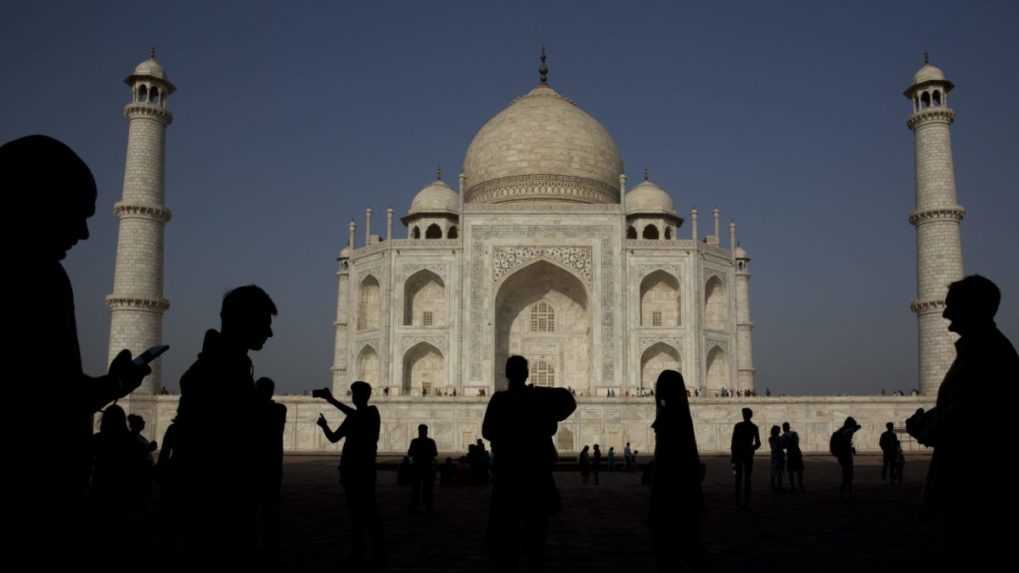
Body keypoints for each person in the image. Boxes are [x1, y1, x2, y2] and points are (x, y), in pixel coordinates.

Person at [4, 135, 152, 564]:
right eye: (75, 214)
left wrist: (113, 383)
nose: (85, 233)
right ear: (33, 199)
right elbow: (49, 401)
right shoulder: (38, 278)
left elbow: (47, 392)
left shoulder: (43, 274)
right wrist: (114, 384)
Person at [906, 275, 1019, 567]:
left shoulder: (984, 355)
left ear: (972, 308)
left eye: (951, 306)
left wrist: (923, 426)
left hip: (973, 490)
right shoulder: (986, 351)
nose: (944, 312)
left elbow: (964, 420)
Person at [173, 284, 277, 565]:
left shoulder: (225, 365)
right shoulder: (221, 371)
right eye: (264, 323)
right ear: (245, 322)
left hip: (220, 500)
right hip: (218, 504)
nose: (269, 333)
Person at [482, 355, 576, 572]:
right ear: (526, 373)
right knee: (536, 527)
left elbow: (487, 431)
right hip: (535, 471)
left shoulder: (499, 400)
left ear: (506, 374)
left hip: (508, 472)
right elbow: (568, 401)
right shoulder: (538, 398)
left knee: (508, 526)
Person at [315, 382, 385, 565]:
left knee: (369, 511)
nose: (354, 397)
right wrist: (324, 426)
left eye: (356, 394)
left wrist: (331, 400)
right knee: (356, 513)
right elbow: (333, 438)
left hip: (364, 470)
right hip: (350, 470)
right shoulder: (353, 417)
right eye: (353, 394)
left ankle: (376, 550)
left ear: (364, 396)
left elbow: (357, 416)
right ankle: (359, 551)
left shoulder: (371, 413)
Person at [650, 370, 707, 572]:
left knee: (669, 544)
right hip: (684, 485)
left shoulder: (671, 416)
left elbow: (668, 453)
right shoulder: (680, 414)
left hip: (669, 487)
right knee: (689, 541)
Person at [254, 377, 287, 564]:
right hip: (273, 468)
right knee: (270, 511)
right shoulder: (279, 410)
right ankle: (271, 548)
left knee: (259, 511)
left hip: (259, 468)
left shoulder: (259, 411)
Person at [730, 407, 761, 508]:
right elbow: (758, 443)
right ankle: (745, 501)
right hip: (746, 455)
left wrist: (733, 455)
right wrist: (752, 448)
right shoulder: (753, 427)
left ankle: (739, 501)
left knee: (739, 478)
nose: (743, 415)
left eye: (744, 414)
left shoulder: (738, 426)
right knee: (746, 478)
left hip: (739, 454)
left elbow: (733, 442)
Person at [408, 424, 438, 513]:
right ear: (426, 431)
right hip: (427, 467)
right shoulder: (430, 441)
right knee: (427, 488)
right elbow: (435, 453)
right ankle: (428, 506)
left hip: (418, 466)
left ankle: (416, 505)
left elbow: (410, 453)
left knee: (417, 488)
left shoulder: (415, 441)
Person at [831, 417, 861, 500]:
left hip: (842, 455)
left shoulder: (841, 431)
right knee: (848, 475)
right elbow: (858, 427)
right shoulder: (847, 431)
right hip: (845, 456)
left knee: (847, 474)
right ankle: (845, 493)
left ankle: (847, 492)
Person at [782, 422, 805, 492]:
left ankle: (796, 486)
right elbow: (787, 445)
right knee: (795, 471)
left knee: (795, 470)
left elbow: (787, 445)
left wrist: (787, 441)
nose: (785, 428)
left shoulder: (787, 435)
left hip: (793, 454)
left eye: (785, 427)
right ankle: (797, 485)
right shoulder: (793, 434)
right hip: (795, 453)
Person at [768, 425, 785, 492]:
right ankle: (773, 486)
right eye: (778, 430)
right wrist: (779, 441)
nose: (779, 431)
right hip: (775, 456)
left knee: (780, 472)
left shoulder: (779, 438)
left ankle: (779, 486)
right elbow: (774, 447)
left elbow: (783, 446)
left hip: (780, 455)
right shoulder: (772, 438)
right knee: (774, 471)